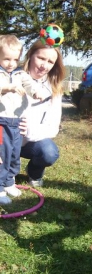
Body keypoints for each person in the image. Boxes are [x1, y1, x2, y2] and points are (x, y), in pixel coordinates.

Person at [0, 35, 43, 205]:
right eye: (6, 59)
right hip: (1, 121)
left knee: (14, 153)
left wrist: (35, 92)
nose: (11, 63)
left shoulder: (20, 74)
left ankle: (9, 181)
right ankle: (0, 186)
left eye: (15, 59)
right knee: (2, 154)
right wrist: (9, 87)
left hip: (16, 122)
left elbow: (30, 84)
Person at [20, 38, 65, 187]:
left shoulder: (54, 88)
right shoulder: (12, 77)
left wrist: (27, 133)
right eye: (40, 58)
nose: (44, 66)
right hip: (5, 135)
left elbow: (52, 128)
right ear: (31, 55)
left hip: (31, 141)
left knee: (49, 152)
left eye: (50, 62)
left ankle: (34, 172)